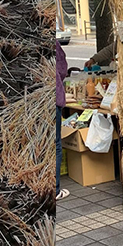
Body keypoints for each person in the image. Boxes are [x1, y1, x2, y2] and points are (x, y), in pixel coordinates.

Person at [56, 38, 70, 201]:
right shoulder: (55, 45)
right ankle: (55, 189)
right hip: (53, 99)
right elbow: (61, 69)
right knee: (55, 144)